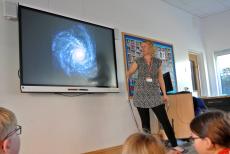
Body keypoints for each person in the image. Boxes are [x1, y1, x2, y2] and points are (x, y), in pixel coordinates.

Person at [127, 40, 183, 151]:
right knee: (145, 123)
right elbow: (129, 73)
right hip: (141, 94)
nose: (142, 49)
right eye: (141, 47)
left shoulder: (158, 62)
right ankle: (145, 148)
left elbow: (160, 78)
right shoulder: (137, 60)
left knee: (164, 120)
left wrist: (165, 94)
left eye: (144, 46)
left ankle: (174, 144)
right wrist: (128, 74)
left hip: (154, 94)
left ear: (151, 48)